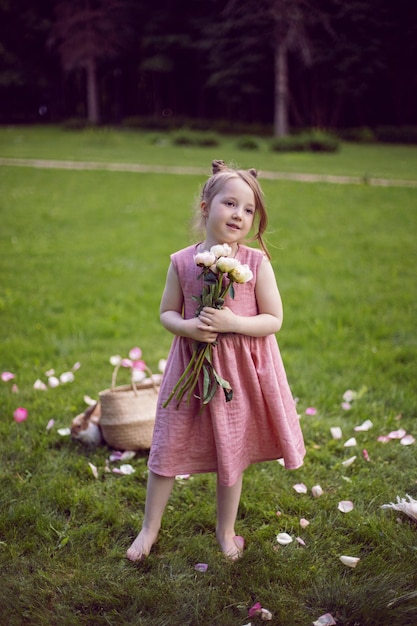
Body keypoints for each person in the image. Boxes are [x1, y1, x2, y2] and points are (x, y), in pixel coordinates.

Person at [127, 159, 305, 562]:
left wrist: (232, 322)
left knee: (231, 450)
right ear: (206, 206)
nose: (239, 215)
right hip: (189, 370)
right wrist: (188, 328)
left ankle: (226, 532)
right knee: (167, 444)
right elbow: (167, 312)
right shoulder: (183, 261)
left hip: (236, 377)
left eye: (248, 210)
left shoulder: (256, 264)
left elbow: (273, 319)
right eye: (230, 204)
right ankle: (148, 529)